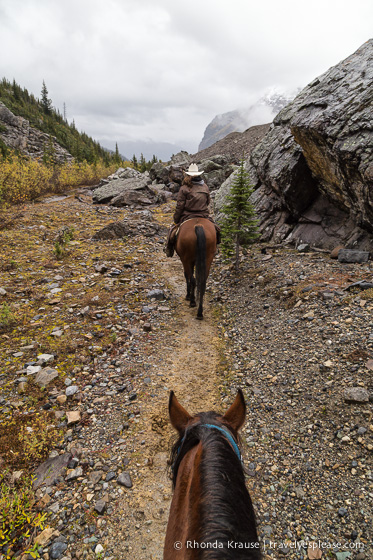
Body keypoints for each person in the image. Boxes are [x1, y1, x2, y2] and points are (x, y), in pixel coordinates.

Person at [165, 163, 220, 257]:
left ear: (188, 175)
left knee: (172, 232)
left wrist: (176, 219)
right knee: (217, 230)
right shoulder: (205, 187)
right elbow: (207, 202)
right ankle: (215, 248)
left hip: (187, 216)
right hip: (203, 215)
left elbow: (180, 206)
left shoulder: (184, 188)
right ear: (198, 174)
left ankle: (169, 249)